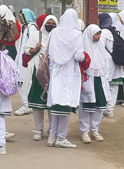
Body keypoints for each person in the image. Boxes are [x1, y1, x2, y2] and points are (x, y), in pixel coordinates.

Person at [47, 9, 86, 148]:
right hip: (69, 73)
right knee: (65, 106)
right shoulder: (76, 35)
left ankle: (51, 137)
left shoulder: (54, 32)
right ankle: (61, 138)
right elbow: (79, 56)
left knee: (56, 104)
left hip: (56, 72)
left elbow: (49, 52)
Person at [27, 14, 57, 141]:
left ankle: (52, 129)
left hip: (52, 72)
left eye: (53, 23)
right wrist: (36, 49)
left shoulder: (57, 36)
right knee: (37, 104)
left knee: (51, 104)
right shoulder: (36, 35)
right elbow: (26, 50)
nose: (50, 25)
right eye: (48, 23)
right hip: (38, 71)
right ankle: (38, 130)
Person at [79, 24, 110, 144]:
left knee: (99, 107)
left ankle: (95, 129)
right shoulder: (83, 46)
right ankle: (84, 131)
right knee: (86, 106)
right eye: (96, 34)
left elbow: (105, 61)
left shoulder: (100, 46)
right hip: (88, 78)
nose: (98, 37)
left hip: (100, 79)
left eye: (99, 34)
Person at [102, 13, 124, 113]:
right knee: (114, 86)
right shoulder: (115, 31)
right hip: (117, 61)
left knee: (106, 84)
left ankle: (105, 107)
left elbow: (100, 48)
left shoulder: (103, 32)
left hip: (108, 62)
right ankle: (110, 109)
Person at [16, 8, 37, 116]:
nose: (21, 19)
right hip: (21, 59)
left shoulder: (31, 28)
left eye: (22, 16)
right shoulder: (25, 28)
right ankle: (26, 103)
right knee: (22, 82)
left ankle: (27, 105)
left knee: (24, 82)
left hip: (27, 59)